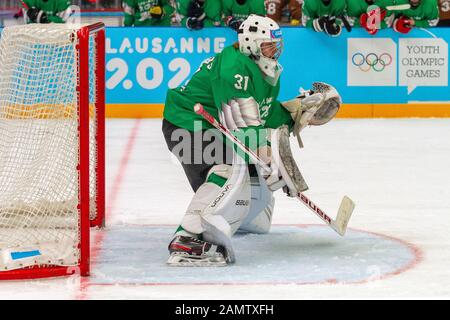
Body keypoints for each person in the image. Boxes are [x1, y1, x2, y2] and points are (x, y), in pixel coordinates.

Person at [162, 14, 342, 266]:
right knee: (227, 170)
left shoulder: (266, 72)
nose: (274, 50)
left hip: (211, 127)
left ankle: (242, 218)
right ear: (250, 43)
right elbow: (243, 126)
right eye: (268, 45)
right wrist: (274, 163)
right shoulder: (233, 68)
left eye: (276, 45)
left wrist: (293, 114)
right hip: (186, 124)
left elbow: (263, 117)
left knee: (253, 170)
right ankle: (189, 237)